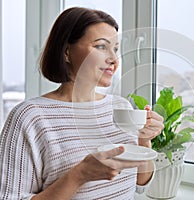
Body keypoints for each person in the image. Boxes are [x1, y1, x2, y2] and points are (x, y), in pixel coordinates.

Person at [0, 7, 164, 200]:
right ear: (67, 52)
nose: (113, 59)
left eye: (116, 49)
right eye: (101, 46)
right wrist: (79, 175)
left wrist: (144, 141)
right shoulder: (29, 117)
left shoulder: (120, 108)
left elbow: (140, 183)